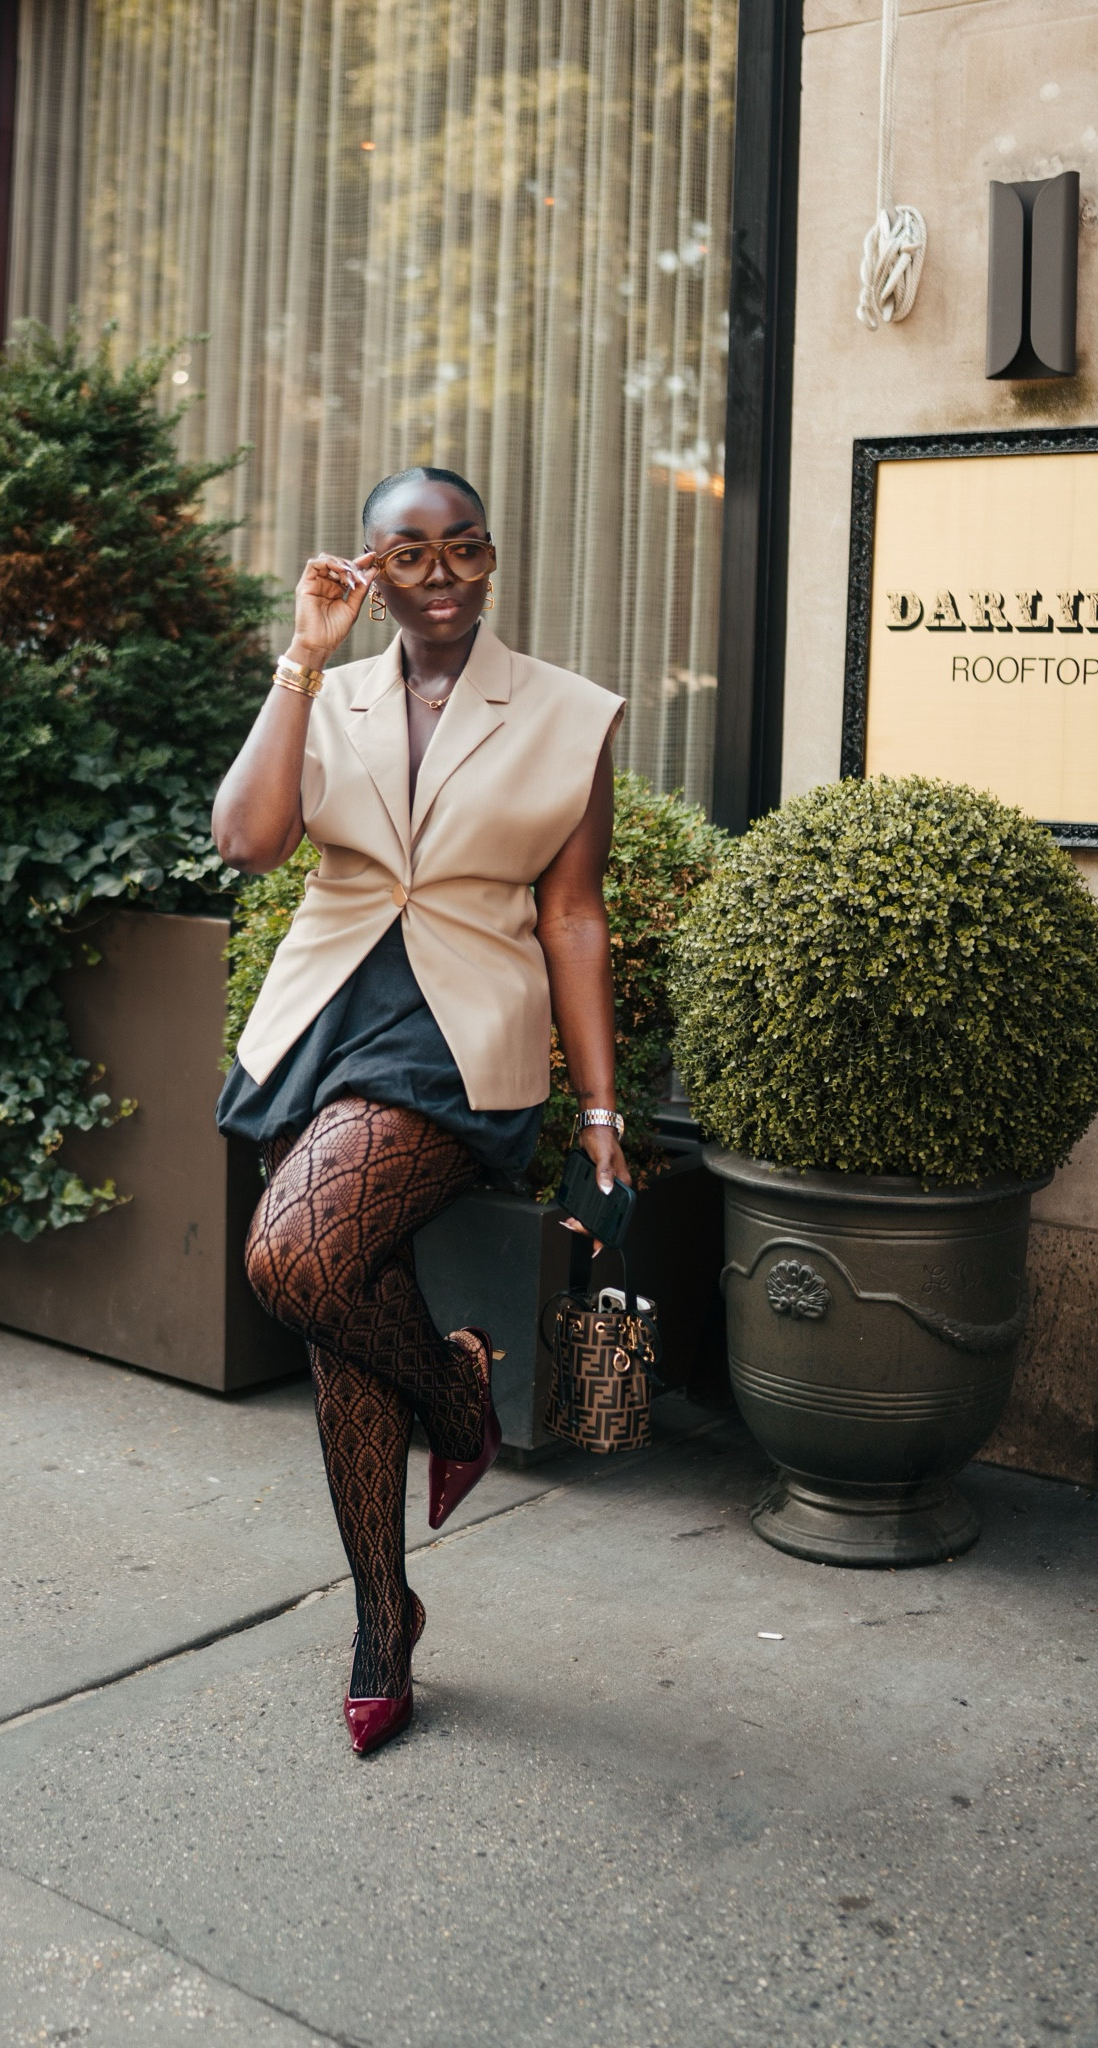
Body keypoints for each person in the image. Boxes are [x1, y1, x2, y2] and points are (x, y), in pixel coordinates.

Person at [213, 466, 629, 1755]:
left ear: (492, 560)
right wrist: (301, 654)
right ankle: (383, 1615)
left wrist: (602, 1111)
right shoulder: (324, 691)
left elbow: (570, 914)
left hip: (459, 1035)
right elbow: (250, 842)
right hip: (321, 1016)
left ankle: (457, 1402)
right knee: (345, 1315)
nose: (440, 574)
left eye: (464, 548)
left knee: (297, 1255)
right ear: (369, 567)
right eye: (410, 554)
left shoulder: (569, 714)